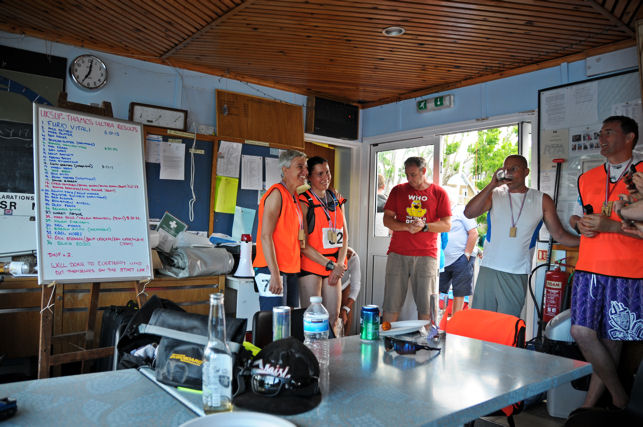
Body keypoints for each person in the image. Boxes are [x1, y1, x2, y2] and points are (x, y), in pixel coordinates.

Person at [567, 115, 642, 411]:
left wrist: (611, 225)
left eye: (609, 132)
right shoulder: (587, 177)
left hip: (628, 270)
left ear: (630, 137)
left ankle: (590, 406)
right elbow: (575, 215)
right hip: (588, 266)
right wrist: (578, 224)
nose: (601, 138)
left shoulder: (641, 174)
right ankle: (619, 395)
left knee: (614, 339)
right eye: (600, 133)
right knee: (581, 331)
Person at [464, 154, 579, 317]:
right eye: (506, 169)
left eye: (514, 169)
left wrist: (585, 242)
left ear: (526, 172)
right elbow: (469, 213)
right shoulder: (495, 194)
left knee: (507, 324)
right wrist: (491, 185)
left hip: (517, 272)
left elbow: (559, 234)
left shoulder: (542, 200)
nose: (508, 173)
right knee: (481, 321)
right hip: (489, 268)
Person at [382, 156, 452, 323]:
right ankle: (387, 337)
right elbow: (387, 220)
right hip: (398, 253)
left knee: (427, 307)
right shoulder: (398, 190)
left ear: (423, 171)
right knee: (391, 305)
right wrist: (407, 227)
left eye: (413, 174)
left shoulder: (438, 192)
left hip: (426, 255)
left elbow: (447, 225)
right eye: (407, 175)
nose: (409, 179)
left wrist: (425, 226)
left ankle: (426, 339)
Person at [253, 149, 307, 311]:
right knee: (274, 322)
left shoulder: (295, 197)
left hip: (291, 269)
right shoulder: (277, 194)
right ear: (285, 169)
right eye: (300, 167)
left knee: (287, 321)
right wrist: (275, 274)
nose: (305, 172)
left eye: (305, 167)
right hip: (272, 269)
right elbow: (265, 236)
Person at [298, 156, 348, 330]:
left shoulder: (337, 198)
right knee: (313, 320)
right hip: (312, 265)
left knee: (333, 317)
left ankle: (330, 349)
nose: (326, 177)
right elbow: (302, 244)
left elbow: (345, 236)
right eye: (320, 174)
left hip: (335, 265)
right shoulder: (304, 201)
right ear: (309, 177)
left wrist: (339, 264)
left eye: (327, 172)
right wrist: (330, 265)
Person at [439, 198, 478, 315]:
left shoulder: (462, 210)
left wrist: (466, 255)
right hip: (443, 260)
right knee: (438, 290)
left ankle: (455, 321)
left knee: (459, 292)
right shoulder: (439, 213)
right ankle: (438, 320)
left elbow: (474, 233)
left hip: (461, 258)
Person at [340, 247, 361, 336]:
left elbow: (356, 286)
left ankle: (345, 337)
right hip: (327, 282)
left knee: (347, 305)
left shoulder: (352, 256)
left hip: (344, 283)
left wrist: (345, 309)